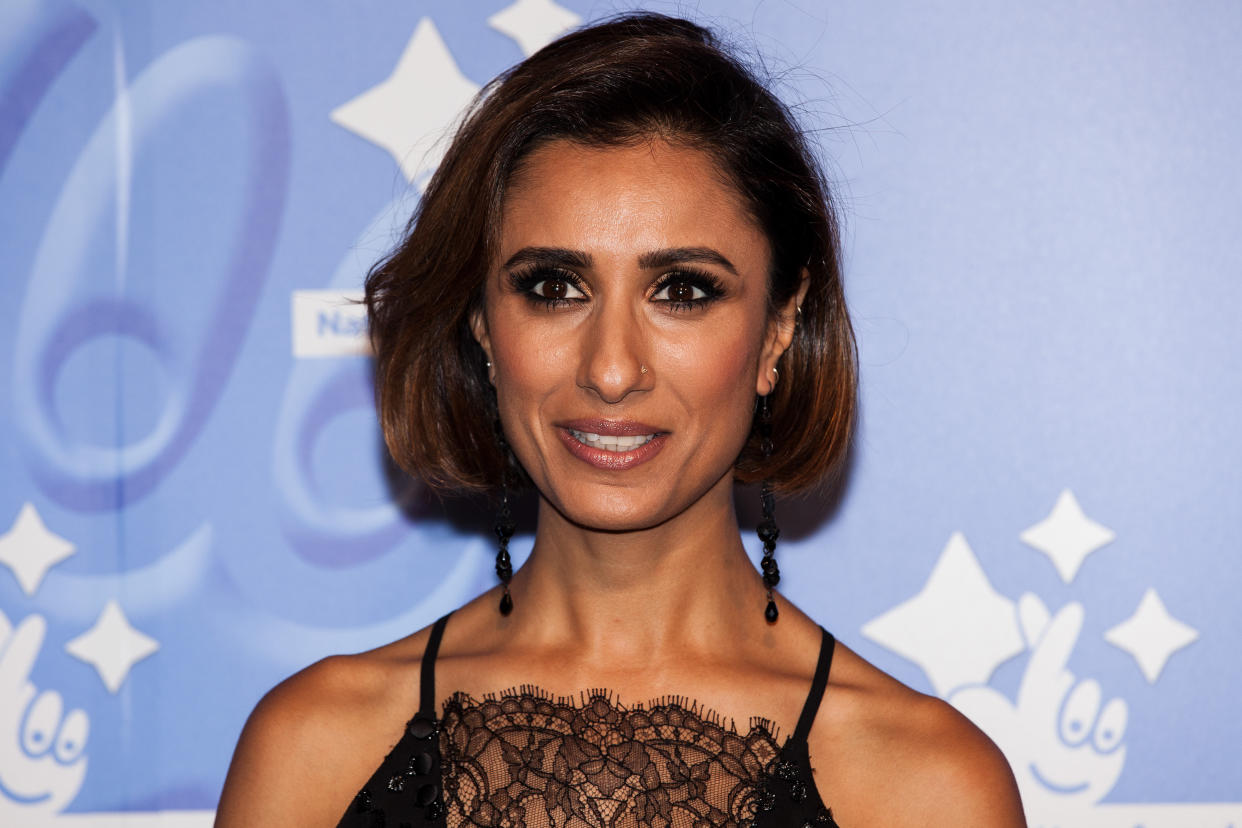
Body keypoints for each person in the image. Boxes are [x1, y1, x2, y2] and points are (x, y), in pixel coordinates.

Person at [216, 13, 1025, 827]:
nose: (610, 370)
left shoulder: (927, 788)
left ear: (780, 327)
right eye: (553, 288)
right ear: (480, 325)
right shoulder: (314, 751)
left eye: (682, 291)